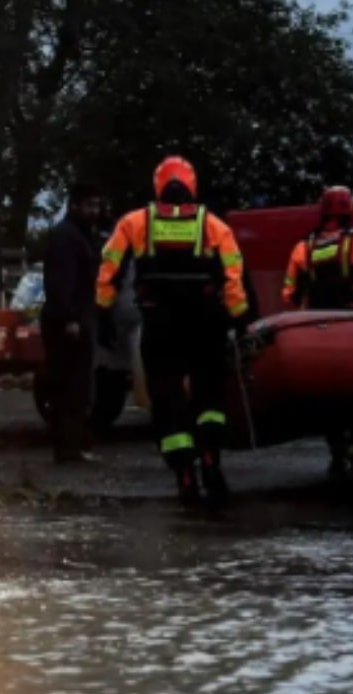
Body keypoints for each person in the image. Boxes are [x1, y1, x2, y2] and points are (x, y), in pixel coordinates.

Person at [96, 156, 257, 508]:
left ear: (157, 186)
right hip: (206, 325)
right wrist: (241, 321)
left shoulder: (135, 222)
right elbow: (234, 278)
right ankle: (212, 458)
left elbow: (109, 268)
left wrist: (103, 311)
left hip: (160, 325)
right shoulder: (213, 226)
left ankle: (184, 474)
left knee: (167, 400)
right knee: (210, 398)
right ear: (192, 185)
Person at [281, 186, 353, 480]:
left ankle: (337, 452)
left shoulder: (304, 247)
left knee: (326, 397)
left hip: (317, 329)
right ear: (349, 210)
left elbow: (289, 293)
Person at [40, 182, 105, 464]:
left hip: (78, 319)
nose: (95, 211)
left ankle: (74, 447)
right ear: (74, 205)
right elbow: (61, 283)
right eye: (89, 205)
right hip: (68, 323)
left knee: (76, 387)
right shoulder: (67, 237)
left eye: (97, 205)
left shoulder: (81, 235)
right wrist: (69, 319)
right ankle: (69, 450)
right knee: (70, 388)